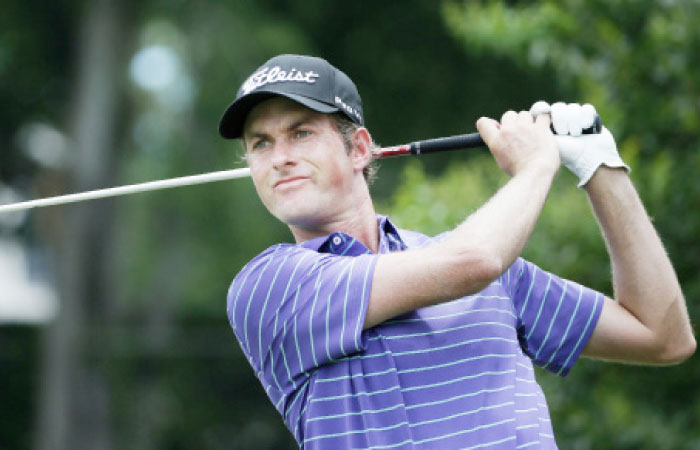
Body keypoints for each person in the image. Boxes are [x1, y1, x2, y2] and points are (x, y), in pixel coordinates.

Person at [218, 54, 695, 449]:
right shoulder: (270, 287)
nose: (279, 157)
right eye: (261, 143)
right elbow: (474, 262)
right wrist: (536, 167)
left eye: (301, 133)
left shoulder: (490, 269)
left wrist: (600, 166)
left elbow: (663, 336)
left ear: (360, 149)